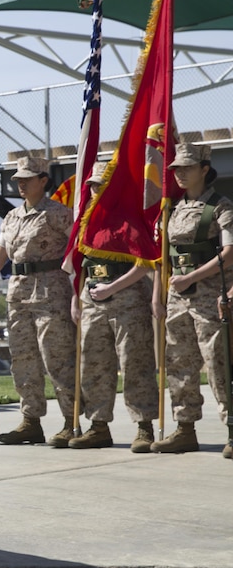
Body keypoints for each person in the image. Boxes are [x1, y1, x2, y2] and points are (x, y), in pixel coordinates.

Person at [0, 156, 77, 446]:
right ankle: (31, 421)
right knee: (23, 360)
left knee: (57, 358)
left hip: (51, 293)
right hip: (19, 296)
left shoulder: (58, 213)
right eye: (18, 180)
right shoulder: (12, 218)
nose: (21, 184)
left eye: (27, 179)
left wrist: (80, 290)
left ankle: (70, 421)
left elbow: (78, 250)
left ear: (43, 181)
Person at [69, 161, 159, 452]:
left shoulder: (127, 219)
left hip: (127, 299)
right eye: (93, 186)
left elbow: (144, 263)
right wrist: (76, 298)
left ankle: (144, 426)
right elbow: (80, 265)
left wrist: (113, 288)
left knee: (135, 363)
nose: (96, 191)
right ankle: (98, 426)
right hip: (92, 301)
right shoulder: (86, 222)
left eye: (102, 185)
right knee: (94, 364)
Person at [152, 142, 233, 454]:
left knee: (219, 364)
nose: (180, 174)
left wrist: (192, 278)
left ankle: (231, 428)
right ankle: (184, 428)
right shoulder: (171, 209)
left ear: (204, 169)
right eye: (176, 169)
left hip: (209, 297)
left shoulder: (221, 207)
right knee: (179, 363)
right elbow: (164, 258)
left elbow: (229, 254)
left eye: (187, 167)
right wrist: (159, 295)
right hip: (177, 299)